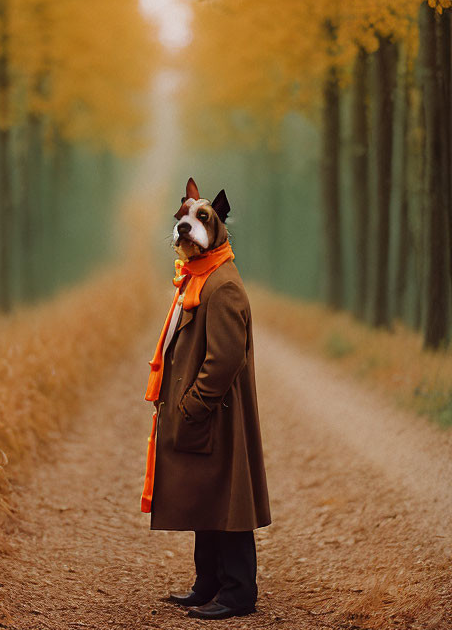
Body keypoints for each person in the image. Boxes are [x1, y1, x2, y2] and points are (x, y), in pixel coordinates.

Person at [141, 179, 271, 620]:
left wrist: (192, 406)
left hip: (218, 414)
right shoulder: (199, 278)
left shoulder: (223, 286)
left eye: (202, 219)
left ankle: (238, 593)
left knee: (228, 501)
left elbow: (225, 360)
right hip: (205, 415)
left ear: (218, 230)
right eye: (183, 220)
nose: (188, 226)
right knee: (206, 497)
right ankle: (208, 582)